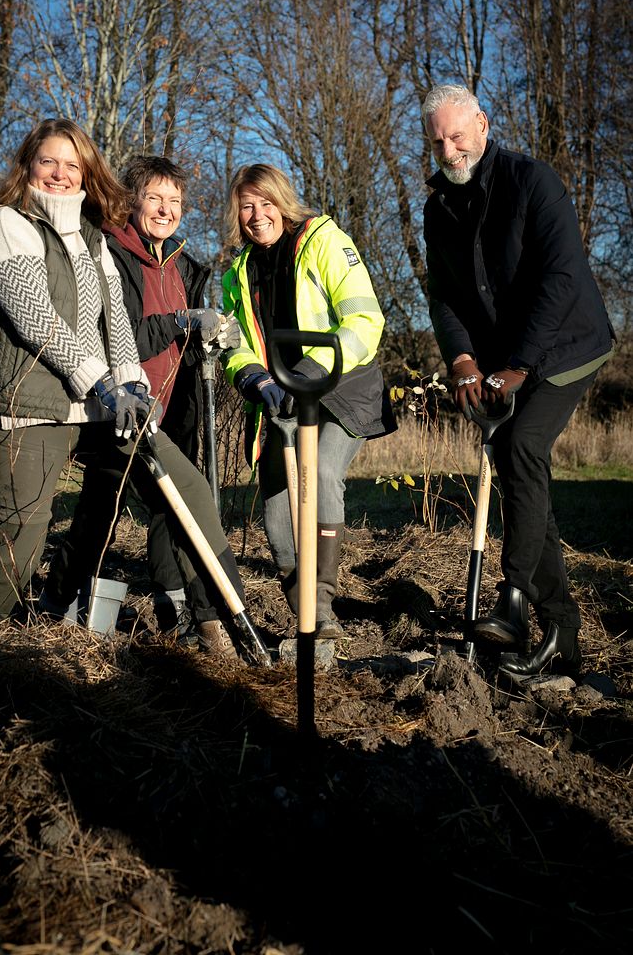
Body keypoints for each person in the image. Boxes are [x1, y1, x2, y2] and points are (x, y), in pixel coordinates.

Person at [0, 120, 246, 658]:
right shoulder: (6, 224)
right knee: (22, 542)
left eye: (72, 165)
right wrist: (102, 383)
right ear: (28, 165)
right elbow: (39, 320)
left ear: (86, 173)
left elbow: (116, 324)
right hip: (35, 404)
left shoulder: (91, 238)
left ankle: (226, 626)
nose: (60, 173)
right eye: (49, 162)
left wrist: (133, 386)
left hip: (103, 408)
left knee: (187, 489)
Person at [421, 84, 615, 677]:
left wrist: (519, 365)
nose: (449, 151)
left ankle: (513, 599)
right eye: (437, 142)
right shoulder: (439, 208)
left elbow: (560, 279)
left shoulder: (534, 183)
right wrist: (461, 361)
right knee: (518, 465)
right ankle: (560, 631)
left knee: (522, 445)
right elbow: (447, 298)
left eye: (457, 136)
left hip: (568, 344)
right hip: (509, 360)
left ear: (482, 124)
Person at [72, 153, 241, 645]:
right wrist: (182, 321)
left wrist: (212, 338)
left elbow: (185, 342)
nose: (167, 210)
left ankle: (177, 611)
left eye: (176, 201)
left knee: (173, 508)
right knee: (102, 509)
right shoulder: (112, 255)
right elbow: (119, 336)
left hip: (176, 405)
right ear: (133, 202)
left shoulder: (186, 265)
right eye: (155, 199)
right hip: (120, 406)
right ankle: (78, 617)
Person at [221, 164, 396, 639]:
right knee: (278, 515)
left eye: (266, 202)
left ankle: (322, 610)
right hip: (279, 396)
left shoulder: (323, 239)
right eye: (247, 207)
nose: (258, 215)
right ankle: (302, 609)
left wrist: (307, 374)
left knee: (319, 472)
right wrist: (256, 379)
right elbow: (235, 343)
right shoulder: (239, 271)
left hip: (341, 386)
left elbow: (364, 319)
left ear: (283, 201)